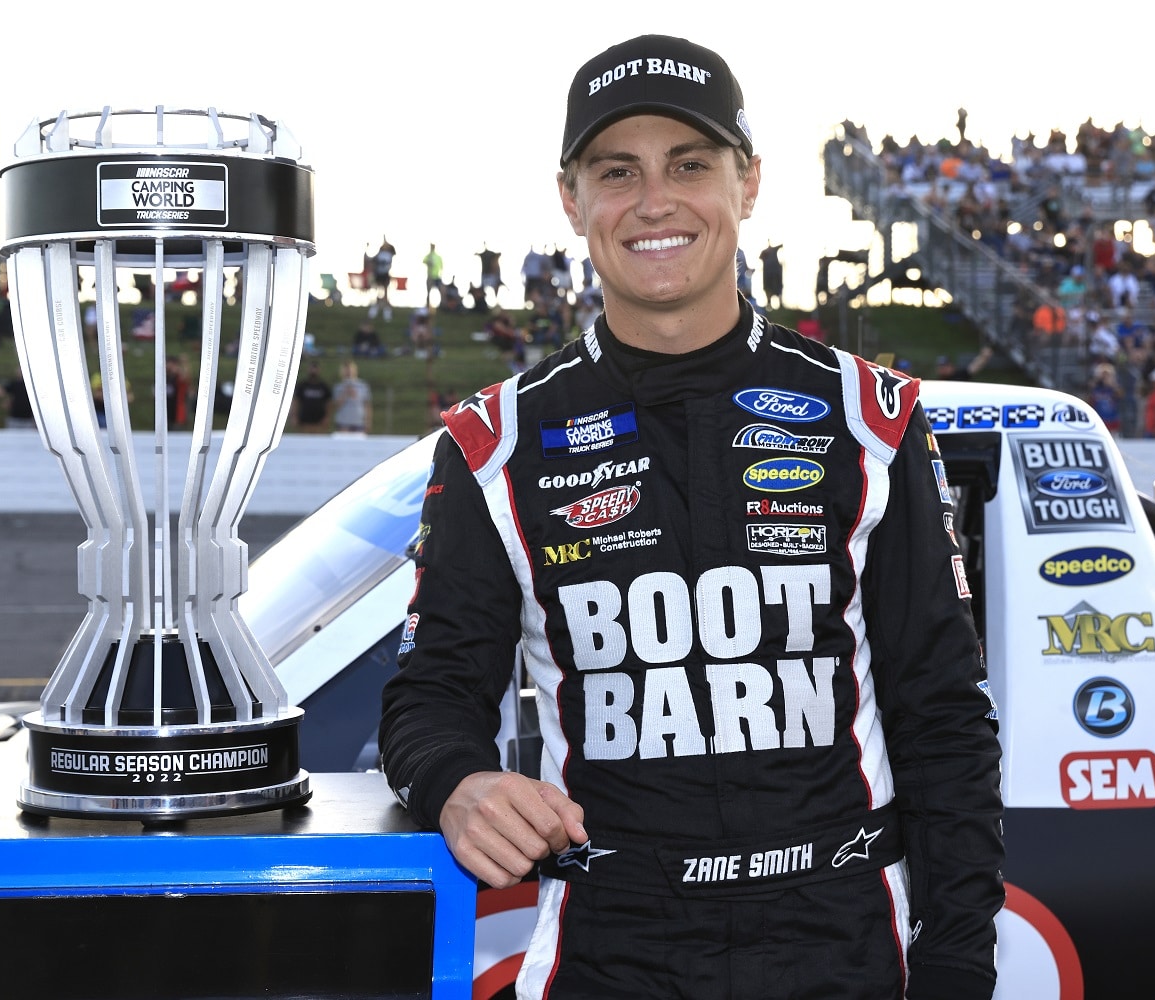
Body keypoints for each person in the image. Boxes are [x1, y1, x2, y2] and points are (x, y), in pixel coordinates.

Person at [379, 33, 1003, 1000]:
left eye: (690, 165)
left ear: (747, 185)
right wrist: (457, 781)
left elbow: (946, 720)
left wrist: (959, 963)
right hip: (609, 943)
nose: (654, 201)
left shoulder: (871, 418)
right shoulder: (493, 442)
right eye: (616, 171)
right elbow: (428, 697)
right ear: (571, 200)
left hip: (844, 942)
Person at [291, 360, 332, 432]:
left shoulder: (323, 386)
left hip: (319, 420)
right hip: (305, 420)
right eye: (311, 369)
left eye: (315, 369)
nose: (313, 371)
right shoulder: (302, 385)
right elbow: (296, 401)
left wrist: (327, 417)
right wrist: (294, 416)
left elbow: (328, 403)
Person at [332, 360, 371, 434]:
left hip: (359, 423)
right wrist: (345, 393)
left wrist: (368, 422)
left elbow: (367, 405)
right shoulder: (338, 387)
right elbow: (336, 406)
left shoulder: (362, 386)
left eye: (350, 370)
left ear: (355, 371)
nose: (349, 372)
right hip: (343, 424)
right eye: (346, 370)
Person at [422, 243, 444, 309]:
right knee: (428, 292)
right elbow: (423, 261)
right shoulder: (428, 256)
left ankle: (442, 305)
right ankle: (427, 306)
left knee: (441, 291)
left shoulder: (438, 257)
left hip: (437, 277)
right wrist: (428, 262)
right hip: (430, 277)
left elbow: (441, 266)